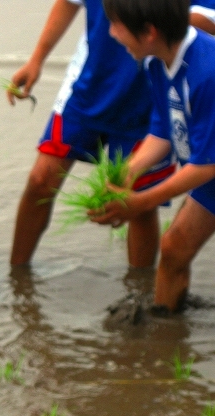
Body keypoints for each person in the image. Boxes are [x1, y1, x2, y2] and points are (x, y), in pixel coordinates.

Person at [7, 0, 176, 268]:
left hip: (148, 99)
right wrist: (36, 59)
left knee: (139, 205)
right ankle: (16, 276)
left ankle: (138, 294)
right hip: (88, 88)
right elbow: (68, 2)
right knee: (41, 179)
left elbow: (203, 19)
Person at [89, 0, 215, 315]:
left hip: (208, 168)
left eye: (117, 24)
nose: (112, 33)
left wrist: (141, 201)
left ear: (149, 32)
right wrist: (128, 173)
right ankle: (165, 336)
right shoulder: (157, 62)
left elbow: (206, 165)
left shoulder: (207, 72)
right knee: (173, 250)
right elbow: (162, 131)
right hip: (208, 174)